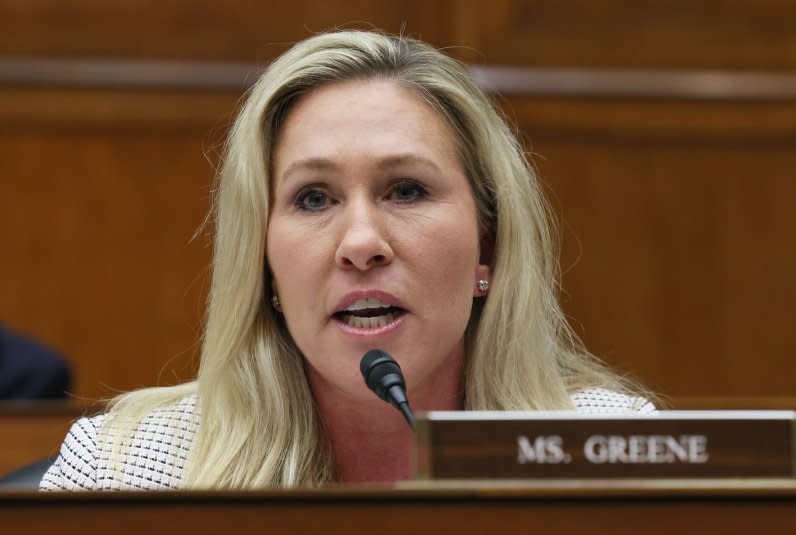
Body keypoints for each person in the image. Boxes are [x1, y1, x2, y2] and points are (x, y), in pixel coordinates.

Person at [41, 30, 655, 491]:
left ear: (487, 247)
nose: (361, 243)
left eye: (407, 190)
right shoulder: (123, 472)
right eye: (314, 198)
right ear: (265, 266)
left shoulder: (616, 456)